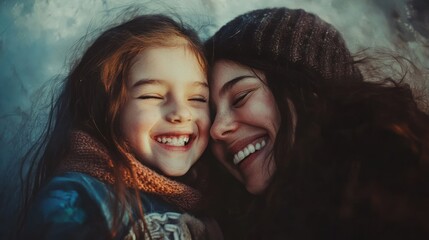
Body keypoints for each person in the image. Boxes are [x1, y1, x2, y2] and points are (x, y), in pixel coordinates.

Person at [205, 7, 429, 239]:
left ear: (307, 89)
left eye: (241, 97)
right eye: (210, 114)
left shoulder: (403, 197)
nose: (216, 129)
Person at [17, 14, 222, 240]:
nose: (181, 113)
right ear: (107, 109)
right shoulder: (75, 199)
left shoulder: (210, 199)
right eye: (151, 96)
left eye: (197, 99)